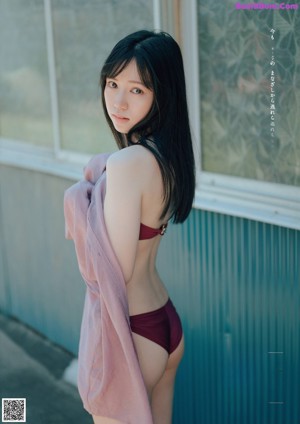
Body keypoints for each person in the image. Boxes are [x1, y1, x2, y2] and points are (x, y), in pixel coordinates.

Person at [65, 30, 195, 424]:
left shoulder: (126, 165)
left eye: (137, 90)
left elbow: (110, 273)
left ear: (162, 95)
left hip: (133, 331)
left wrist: (79, 205)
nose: (118, 101)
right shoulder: (167, 157)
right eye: (113, 83)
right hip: (164, 323)